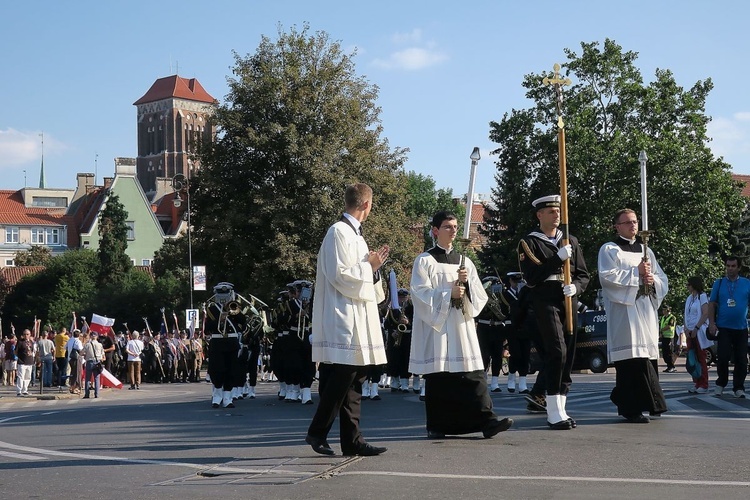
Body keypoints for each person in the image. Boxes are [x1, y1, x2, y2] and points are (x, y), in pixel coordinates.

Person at [410, 210, 513, 439]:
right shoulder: (424, 260)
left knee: (474, 375)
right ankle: (437, 426)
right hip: (438, 327)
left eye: (455, 226)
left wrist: (465, 288)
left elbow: (479, 296)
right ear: (436, 230)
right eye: (448, 226)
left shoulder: (465, 262)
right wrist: (449, 293)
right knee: (440, 378)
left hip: (461, 325)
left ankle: (488, 422)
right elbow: (419, 294)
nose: (453, 230)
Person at [306, 182, 389, 457]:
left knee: (356, 375)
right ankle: (317, 432)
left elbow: (365, 279)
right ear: (366, 204)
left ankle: (352, 440)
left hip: (358, 315)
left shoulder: (357, 236)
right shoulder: (338, 232)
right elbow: (341, 275)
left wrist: (374, 271)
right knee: (344, 375)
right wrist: (370, 266)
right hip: (343, 317)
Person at [518, 195, 589, 429]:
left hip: (567, 299)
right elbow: (531, 277)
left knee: (568, 353)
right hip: (544, 299)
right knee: (556, 350)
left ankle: (561, 406)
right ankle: (552, 410)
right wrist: (557, 259)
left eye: (558, 211)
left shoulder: (570, 241)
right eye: (550, 211)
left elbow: (583, 274)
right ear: (539, 215)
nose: (556, 215)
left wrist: (576, 288)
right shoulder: (529, 242)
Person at [598, 208, 668, 423]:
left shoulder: (647, 250)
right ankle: (631, 408)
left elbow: (660, 278)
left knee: (646, 356)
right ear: (616, 226)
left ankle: (652, 404)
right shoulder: (609, 249)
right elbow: (607, 278)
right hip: (624, 312)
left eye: (635, 222)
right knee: (631, 360)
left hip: (645, 310)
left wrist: (651, 282)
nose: (633, 226)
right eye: (627, 222)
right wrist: (636, 274)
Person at [707, 256, 749, 398]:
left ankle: (738, 387)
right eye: (728, 266)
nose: (730, 269)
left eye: (733, 266)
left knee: (741, 359)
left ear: (738, 268)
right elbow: (712, 304)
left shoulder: (746, 283)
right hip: (723, 327)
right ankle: (721, 383)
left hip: (741, 327)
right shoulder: (719, 283)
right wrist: (712, 323)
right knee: (723, 357)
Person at [475, 276, 507, 393]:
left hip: (498, 327)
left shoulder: (501, 297)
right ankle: (483, 379)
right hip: (484, 328)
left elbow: (506, 310)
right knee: (484, 355)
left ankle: (495, 382)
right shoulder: (481, 298)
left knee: (497, 355)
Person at [504, 272, 532, 393]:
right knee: (516, 354)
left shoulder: (526, 293)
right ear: (510, 281)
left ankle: (522, 383)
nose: (517, 284)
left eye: (519, 281)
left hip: (525, 327)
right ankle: (511, 377)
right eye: (515, 281)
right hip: (512, 328)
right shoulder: (504, 295)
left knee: (525, 355)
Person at [684, 276, 712, 393]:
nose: (687, 287)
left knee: (701, 358)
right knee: (692, 358)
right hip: (690, 331)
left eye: (689, 284)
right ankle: (696, 382)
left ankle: (703, 384)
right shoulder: (690, 298)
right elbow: (686, 314)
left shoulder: (702, 296)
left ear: (694, 285)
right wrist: (686, 328)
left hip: (698, 331)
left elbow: (705, 313)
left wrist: (696, 328)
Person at [82, 331, 105, 398]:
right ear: (97, 337)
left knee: (87, 379)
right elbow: (103, 355)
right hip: (97, 362)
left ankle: (87, 394)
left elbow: (81, 353)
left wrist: (85, 355)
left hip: (89, 362)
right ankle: (97, 394)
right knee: (97, 378)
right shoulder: (100, 345)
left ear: (91, 336)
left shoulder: (87, 344)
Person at [15, 329, 35, 396]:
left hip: (29, 361)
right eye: (24, 334)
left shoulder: (31, 342)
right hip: (22, 362)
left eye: (27, 334)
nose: (26, 336)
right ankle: (19, 391)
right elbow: (15, 351)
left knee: (28, 377)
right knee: (21, 376)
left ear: (30, 335)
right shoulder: (20, 342)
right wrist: (18, 357)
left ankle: (25, 390)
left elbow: (33, 350)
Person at [659, 305, 677, 373]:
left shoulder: (672, 317)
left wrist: (661, 330)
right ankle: (668, 366)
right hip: (664, 337)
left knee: (669, 352)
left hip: (669, 337)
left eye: (664, 310)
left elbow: (669, 326)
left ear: (667, 310)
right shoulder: (663, 317)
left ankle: (671, 366)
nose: (663, 311)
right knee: (665, 353)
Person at [65, 330, 84, 394]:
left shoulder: (69, 340)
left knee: (72, 372)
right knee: (77, 373)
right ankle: (74, 388)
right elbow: (80, 349)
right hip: (76, 358)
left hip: (70, 358)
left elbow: (66, 348)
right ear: (78, 335)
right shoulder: (78, 341)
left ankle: (71, 386)